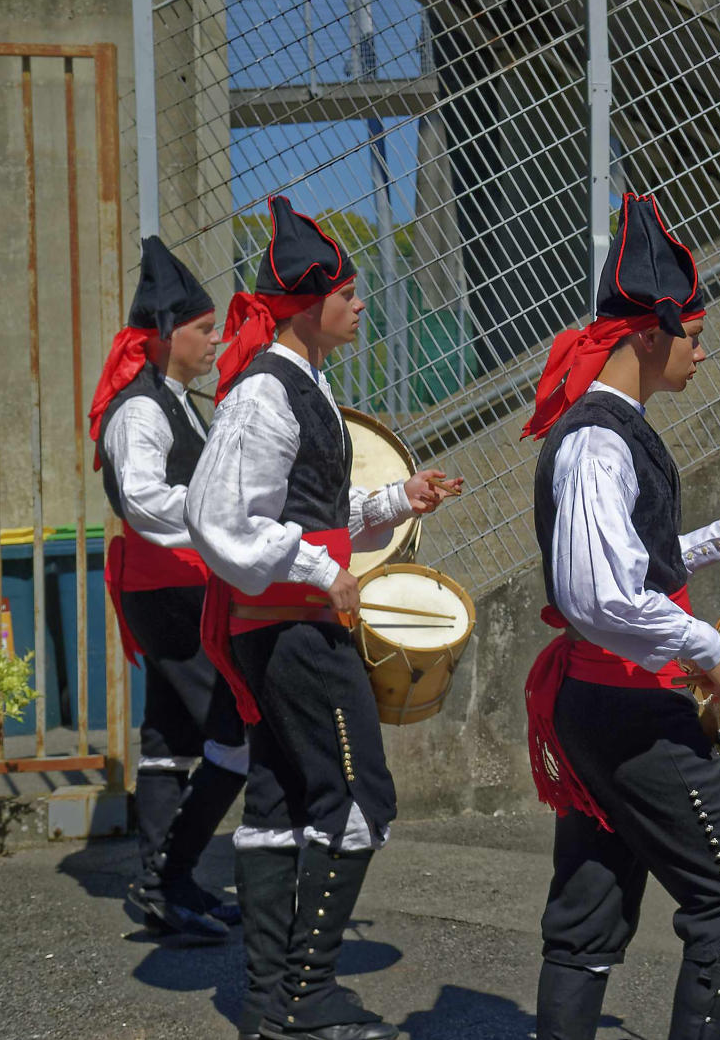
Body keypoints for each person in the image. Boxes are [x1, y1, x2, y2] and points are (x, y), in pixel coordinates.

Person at [186, 196, 459, 1040]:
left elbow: (310, 504)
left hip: (287, 623)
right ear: (310, 303)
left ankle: (272, 1000)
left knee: (279, 799)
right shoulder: (265, 391)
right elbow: (219, 518)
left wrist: (393, 500)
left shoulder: (297, 384)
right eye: (349, 292)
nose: (360, 304)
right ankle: (306, 995)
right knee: (357, 797)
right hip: (294, 624)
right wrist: (316, 568)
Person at [522, 191, 720, 1040]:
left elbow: (622, 564)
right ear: (648, 333)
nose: (702, 353)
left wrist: (715, 537)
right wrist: (705, 644)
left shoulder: (608, 431)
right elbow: (598, 597)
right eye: (696, 335)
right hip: (628, 707)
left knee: (588, 918)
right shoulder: (599, 439)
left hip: (601, 704)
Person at [90, 235, 243, 941]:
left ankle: (166, 882)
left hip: (177, 586)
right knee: (234, 731)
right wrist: (225, 516)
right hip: (167, 589)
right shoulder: (140, 408)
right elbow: (143, 501)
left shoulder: (174, 399)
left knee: (169, 736)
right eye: (204, 328)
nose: (215, 339)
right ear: (163, 333)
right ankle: (166, 876)